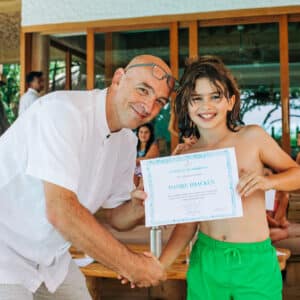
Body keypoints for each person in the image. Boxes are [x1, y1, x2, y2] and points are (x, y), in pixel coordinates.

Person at [0, 55, 175, 299]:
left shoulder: (127, 141)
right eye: (142, 90)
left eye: (159, 101)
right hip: (5, 250)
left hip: (52, 260)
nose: (149, 106)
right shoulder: (63, 112)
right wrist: (131, 265)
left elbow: (115, 217)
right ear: (118, 78)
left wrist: (139, 206)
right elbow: (61, 210)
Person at [159, 55, 300, 300]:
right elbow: (187, 225)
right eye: (197, 99)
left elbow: (297, 174)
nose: (206, 106)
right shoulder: (188, 154)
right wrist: (159, 266)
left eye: (215, 96)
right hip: (206, 260)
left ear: (230, 101)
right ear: (187, 105)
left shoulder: (252, 137)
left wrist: (269, 182)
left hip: (255, 262)